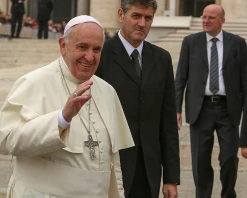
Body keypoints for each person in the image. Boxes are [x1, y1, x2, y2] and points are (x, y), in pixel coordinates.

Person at [0, 15, 134, 198]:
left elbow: (113, 162)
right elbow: (11, 141)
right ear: (63, 45)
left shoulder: (107, 91)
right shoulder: (33, 82)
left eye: (97, 49)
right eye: (82, 47)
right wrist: (61, 119)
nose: (90, 56)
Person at [95, 0, 180, 198]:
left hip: (148, 170)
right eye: (136, 16)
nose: (142, 23)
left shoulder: (162, 59)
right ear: (120, 15)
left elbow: (167, 122)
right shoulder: (100, 55)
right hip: (110, 167)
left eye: (147, 18)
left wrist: (171, 177)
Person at [175, 4, 247, 198]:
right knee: (200, 160)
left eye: (211, 18)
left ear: (222, 20)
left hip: (228, 109)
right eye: (204, 17)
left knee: (229, 159)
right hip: (201, 109)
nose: (205, 21)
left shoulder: (238, 43)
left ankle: (228, 193)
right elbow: (181, 77)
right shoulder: (190, 42)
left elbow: (244, 82)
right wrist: (177, 109)